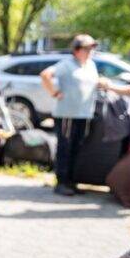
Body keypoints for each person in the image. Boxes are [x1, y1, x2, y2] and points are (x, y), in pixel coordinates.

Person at [40, 34, 100, 196]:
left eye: (92, 48)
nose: (90, 52)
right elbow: (45, 75)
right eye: (87, 48)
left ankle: (72, 181)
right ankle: (61, 182)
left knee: (76, 148)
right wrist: (54, 92)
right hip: (67, 114)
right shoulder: (66, 64)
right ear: (77, 50)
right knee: (65, 148)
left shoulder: (91, 65)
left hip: (84, 114)